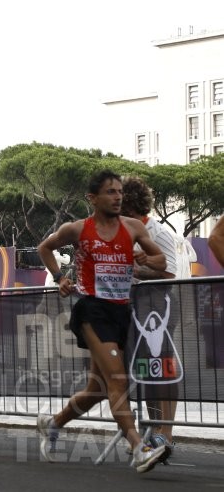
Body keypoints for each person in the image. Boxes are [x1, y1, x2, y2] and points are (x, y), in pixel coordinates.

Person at [37, 170, 172, 473]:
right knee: (118, 379)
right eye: (110, 192)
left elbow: (161, 261)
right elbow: (44, 248)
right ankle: (138, 447)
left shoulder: (134, 227)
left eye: (120, 192)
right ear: (92, 198)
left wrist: (145, 260)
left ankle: (53, 423)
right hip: (91, 309)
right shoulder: (77, 229)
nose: (117, 197)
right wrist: (60, 279)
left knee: (98, 388)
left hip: (121, 311)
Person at [121, 176, 184, 454]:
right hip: (134, 307)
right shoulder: (125, 231)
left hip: (158, 305)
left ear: (130, 207)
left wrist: (136, 272)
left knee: (163, 369)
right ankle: (152, 430)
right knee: (147, 371)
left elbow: (169, 273)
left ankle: (166, 434)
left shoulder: (157, 232)